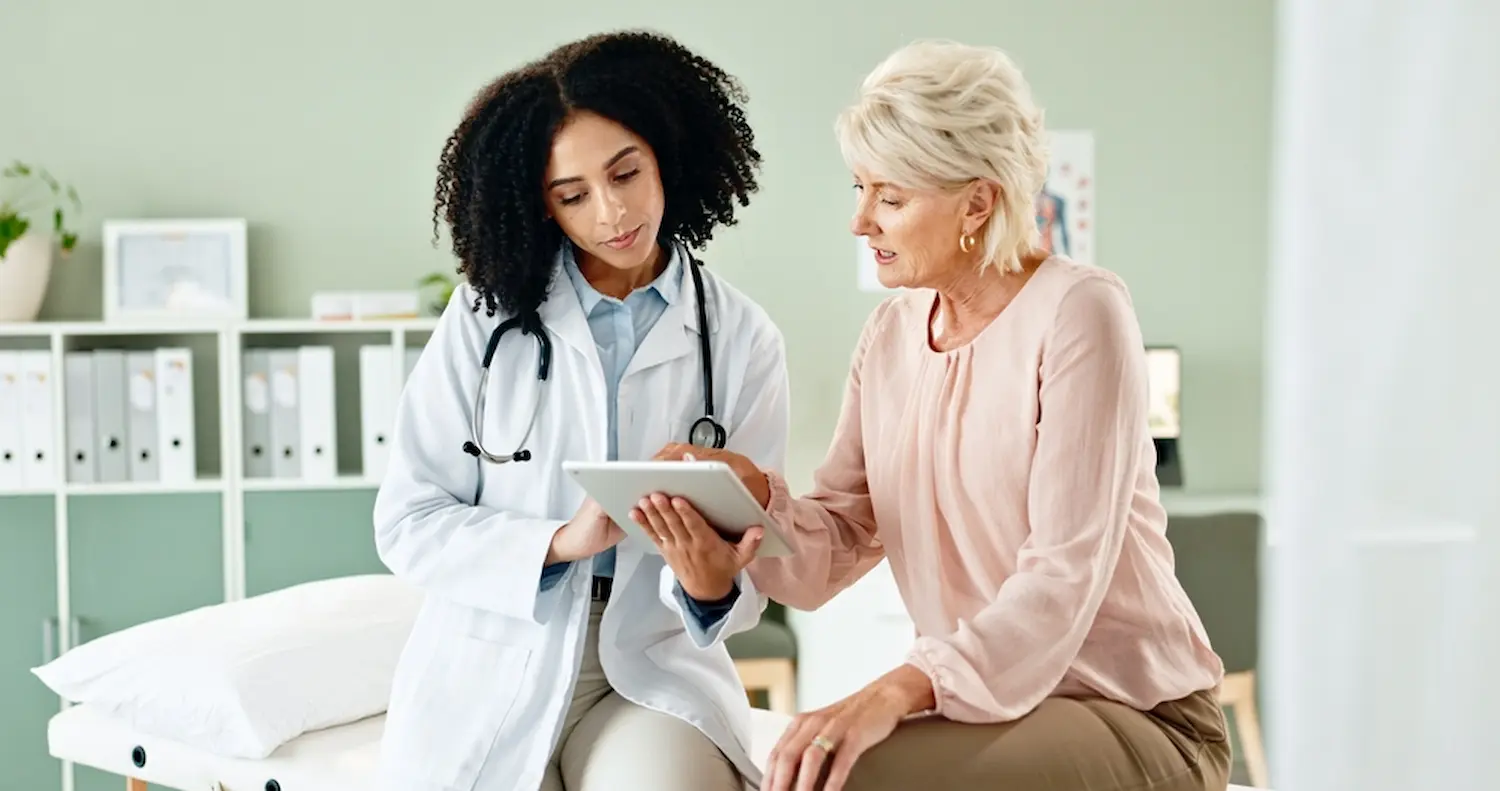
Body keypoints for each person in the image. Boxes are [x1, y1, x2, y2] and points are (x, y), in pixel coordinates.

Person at [638, 39, 1231, 791]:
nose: (861, 222)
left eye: (889, 197)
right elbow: (839, 542)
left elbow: (1060, 576)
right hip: (995, 711)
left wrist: (894, 689)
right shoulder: (889, 336)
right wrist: (751, 503)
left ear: (978, 201)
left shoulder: (1080, 311)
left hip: (1133, 710)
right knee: (804, 768)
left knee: (848, 776)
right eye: (858, 188)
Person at [373, 30, 789, 791]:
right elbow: (407, 521)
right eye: (573, 195)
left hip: (650, 662)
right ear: (541, 205)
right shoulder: (483, 320)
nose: (613, 211)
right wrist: (561, 540)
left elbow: (758, 554)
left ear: (665, 153)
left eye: (626, 172)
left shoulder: (741, 338)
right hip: (497, 655)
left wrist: (709, 585)